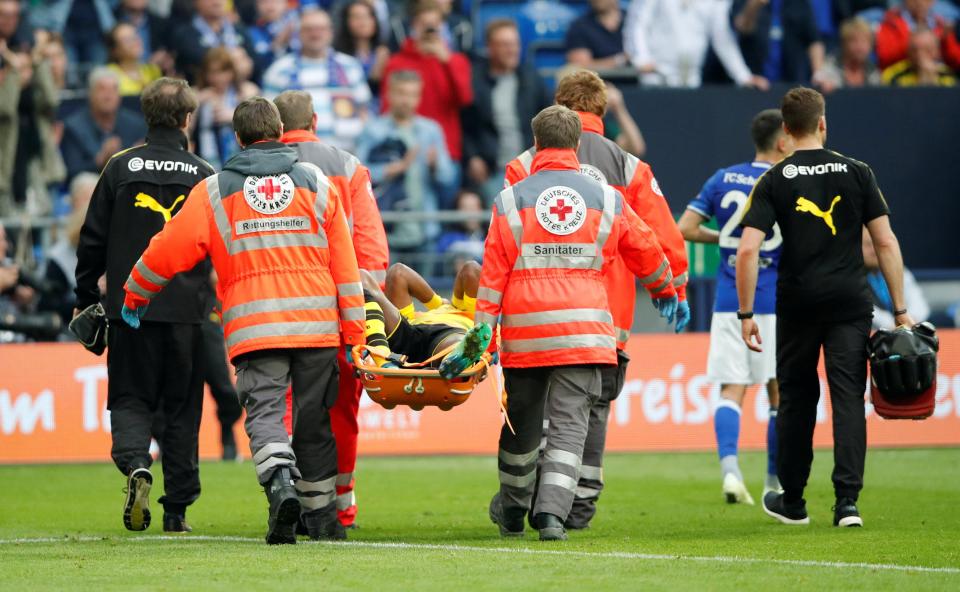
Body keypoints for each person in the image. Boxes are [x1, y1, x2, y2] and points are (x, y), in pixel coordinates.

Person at [120, 97, 365, 545]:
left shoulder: (214, 191)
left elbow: (166, 248)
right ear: (278, 132)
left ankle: (280, 486)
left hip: (256, 328)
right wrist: (355, 332)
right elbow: (345, 267)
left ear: (237, 137)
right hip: (317, 326)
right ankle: (324, 519)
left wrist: (136, 292)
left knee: (267, 415)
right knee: (315, 424)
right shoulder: (318, 184)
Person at [481, 105, 679, 541]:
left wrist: (483, 332)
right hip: (584, 330)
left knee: (522, 424)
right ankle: (551, 516)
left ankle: (513, 509)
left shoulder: (511, 198)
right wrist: (666, 291)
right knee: (570, 424)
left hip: (526, 333)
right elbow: (645, 248)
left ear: (536, 145)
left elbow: (493, 272)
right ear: (576, 145)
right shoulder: (608, 197)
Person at [736, 87, 914, 528]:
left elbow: (747, 251)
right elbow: (886, 242)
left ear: (787, 128)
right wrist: (901, 309)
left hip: (797, 303)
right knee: (848, 398)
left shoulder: (774, 178)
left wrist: (745, 314)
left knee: (797, 399)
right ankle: (847, 503)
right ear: (822, 123)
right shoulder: (857, 171)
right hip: (851, 303)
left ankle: (793, 500)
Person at [73, 78, 215, 534]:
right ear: (187, 118)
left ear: (146, 115)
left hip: (129, 309)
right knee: (181, 408)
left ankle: (136, 462)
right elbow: (218, 244)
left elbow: (91, 239)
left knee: (130, 398)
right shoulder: (203, 173)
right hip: (186, 312)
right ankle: (177, 509)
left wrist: (85, 298)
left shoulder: (119, 166)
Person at [274, 88, 389, 528]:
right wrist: (369, 310)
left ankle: (289, 495)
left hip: (275, 308)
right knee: (339, 410)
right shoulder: (346, 166)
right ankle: (340, 506)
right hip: (336, 311)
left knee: (282, 408)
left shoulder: (254, 169)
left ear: (275, 126)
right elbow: (370, 247)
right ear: (316, 121)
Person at [678, 109, 793, 506]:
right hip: (776, 301)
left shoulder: (723, 177)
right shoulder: (786, 180)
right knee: (778, 393)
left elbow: (685, 229)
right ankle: (774, 482)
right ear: (782, 141)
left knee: (732, 390)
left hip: (729, 303)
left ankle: (730, 472)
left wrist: (726, 242)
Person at [357, 69, 456, 248]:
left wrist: (435, 166)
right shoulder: (373, 130)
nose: (407, 100)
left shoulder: (431, 130)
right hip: (386, 229)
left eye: (413, 95)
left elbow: (448, 178)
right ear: (389, 94)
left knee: (426, 278)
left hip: (424, 227)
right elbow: (358, 176)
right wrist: (394, 168)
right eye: (401, 93)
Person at [462, 19, 552, 202]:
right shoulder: (475, 81)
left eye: (515, 44)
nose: (512, 50)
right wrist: (473, 157)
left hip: (531, 169)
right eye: (504, 45)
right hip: (492, 170)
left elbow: (550, 121)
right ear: (490, 48)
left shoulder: (532, 78)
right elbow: (465, 125)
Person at [262, 9, 371, 152]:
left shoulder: (350, 66)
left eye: (321, 29)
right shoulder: (279, 70)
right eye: (309, 29)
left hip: (345, 155)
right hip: (296, 159)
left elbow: (364, 111)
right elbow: (267, 118)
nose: (315, 34)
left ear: (331, 32)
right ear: (299, 33)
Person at [380, 0, 472, 164]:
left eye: (434, 24)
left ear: (443, 26)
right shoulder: (396, 62)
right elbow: (387, 108)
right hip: (403, 152)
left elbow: (465, 99)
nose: (429, 29)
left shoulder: (456, 61)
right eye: (424, 24)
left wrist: (447, 61)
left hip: (443, 152)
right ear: (414, 26)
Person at [359, 261, 486, 369]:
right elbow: (400, 274)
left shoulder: (474, 314)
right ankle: (382, 358)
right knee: (366, 276)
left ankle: (458, 360)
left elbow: (471, 271)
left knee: (458, 343)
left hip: (447, 334)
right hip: (408, 332)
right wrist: (440, 303)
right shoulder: (442, 307)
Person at [624, 0, 768, 89]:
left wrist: (743, 76)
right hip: (655, 77)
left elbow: (722, 37)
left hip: (691, 78)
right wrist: (642, 58)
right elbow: (637, 23)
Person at [60, 67, 146, 181]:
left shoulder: (136, 123)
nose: (108, 96)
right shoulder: (74, 127)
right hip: (92, 187)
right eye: (102, 89)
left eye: (113, 90)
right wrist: (100, 161)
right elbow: (72, 171)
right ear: (90, 94)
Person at [38, 172, 98, 328]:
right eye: (87, 199)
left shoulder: (115, 247)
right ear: (74, 201)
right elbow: (48, 304)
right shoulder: (59, 256)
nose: (93, 207)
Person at [729, 0, 826, 85]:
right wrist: (754, 5)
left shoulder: (799, 2)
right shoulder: (741, 1)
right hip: (757, 82)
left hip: (794, 80)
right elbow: (742, 29)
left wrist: (818, 72)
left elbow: (814, 40)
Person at [193, 47, 260, 170]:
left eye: (223, 71)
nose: (218, 78)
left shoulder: (247, 91)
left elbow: (260, 127)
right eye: (212, 72)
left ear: (232, 71)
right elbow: (187, 129)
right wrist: (197, 103)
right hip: (206, 162)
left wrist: (233, 116)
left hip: (242, 160)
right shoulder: (197, 94)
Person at [170, 0, 257, 83]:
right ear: (195, 1)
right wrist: (236, 59)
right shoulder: (184, 34)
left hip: (240, 93)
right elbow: (203, 62)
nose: (216, 1)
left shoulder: (240, 30)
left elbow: (256, 64)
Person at [862, 229, 930, 330]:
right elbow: (864, 309)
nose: (874, 249)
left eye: (877, 244)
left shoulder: (900, 270)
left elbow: (918, 302)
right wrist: (894, 325)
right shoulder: (852, 278)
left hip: (908, 329)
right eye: (868, 245)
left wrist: (910, 321)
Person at [876, 0, 960, 71]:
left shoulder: (941, 24)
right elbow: (884, 56)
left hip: (938, 75)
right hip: (902, 76)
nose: (919, 2)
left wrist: (946, 41)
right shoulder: (891, 21)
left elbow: (957, 59)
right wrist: (917, 45)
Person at [333, 0, 391, 97]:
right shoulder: (338, 56)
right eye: (356, 17)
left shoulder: (382, 53)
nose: (363, 22)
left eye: (368, 16)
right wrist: (373, 76)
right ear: (346, 22)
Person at [815, 18, 882, 91]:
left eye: (864, 41)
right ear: (844, 43)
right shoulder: (829, 68)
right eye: (854, 41)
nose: (860, 47)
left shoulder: (873, 71)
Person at [564, 0, 631, 70]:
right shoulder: (579, 26)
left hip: (637, 80)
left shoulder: (634, 22)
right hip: (597, 80)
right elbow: (580, 67)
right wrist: (620, 60)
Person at [882, 28, 958, 86]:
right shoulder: (893, 75)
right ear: (908, 51)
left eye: (927, 49)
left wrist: (932, 81)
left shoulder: (948, 75)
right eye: (915, 50)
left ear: (937, 52)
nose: (920, 55)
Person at [436, 189, 486, 275]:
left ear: (481, 209)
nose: (471, 213)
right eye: (465, 208)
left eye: (474, 207)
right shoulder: (448, 238)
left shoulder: (491, 236)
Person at [106, 23, 162, 96]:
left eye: (135, 36)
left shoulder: (153, 69)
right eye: (127, 39)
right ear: (114, 50)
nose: (135, 41)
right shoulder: (108, 74)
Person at [248, 0, 300, 75]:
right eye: (264, 2)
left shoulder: (300, 26)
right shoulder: (251, 33)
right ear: (257, 5)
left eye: (275, 1)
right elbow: (258, 65)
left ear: (285, 3)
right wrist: (279, 42)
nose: (270, 6)